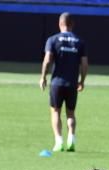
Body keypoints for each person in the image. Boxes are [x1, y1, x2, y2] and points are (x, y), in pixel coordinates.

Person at [40, 13, 88, 152]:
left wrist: (43, 76)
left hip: (56, 83)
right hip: (72, 83)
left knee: (55, 112)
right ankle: (71, 138)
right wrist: (82, 81)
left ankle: (59, 141)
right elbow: (84, 63)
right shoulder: (79, 41)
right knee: (71, 113)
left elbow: (48, 59)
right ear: (72, 24)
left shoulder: (53, 40)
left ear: (59, 23)